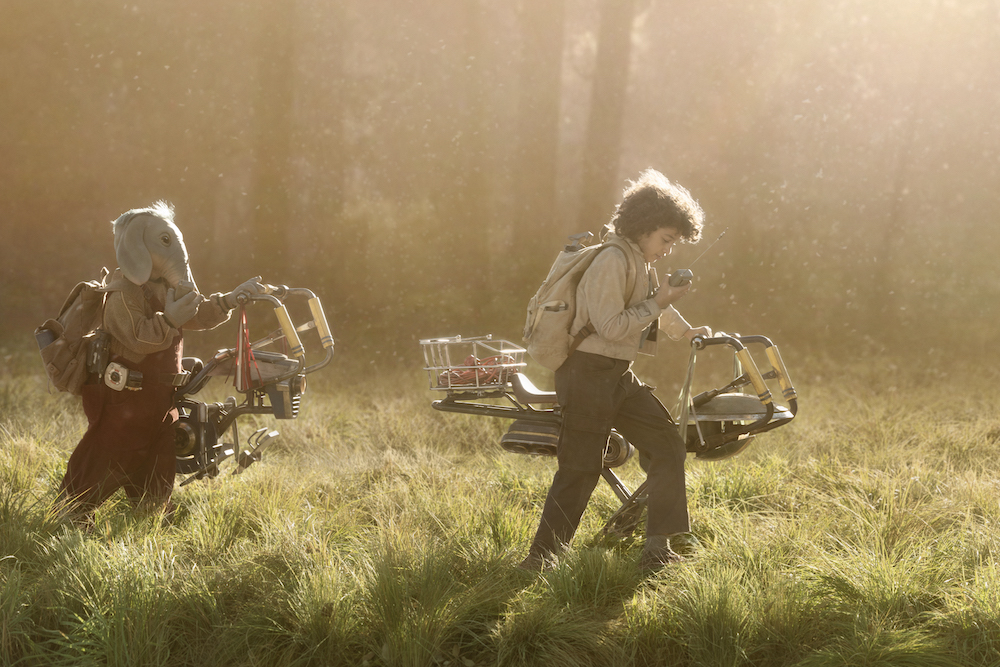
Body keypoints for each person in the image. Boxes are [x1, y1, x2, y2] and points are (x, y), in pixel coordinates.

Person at [519, 169, 712, 573]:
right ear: (643, 226)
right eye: (666, 240)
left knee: (667, 445)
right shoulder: (610, 260)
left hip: (617, 375)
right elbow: (612, 325)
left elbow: (655, 303)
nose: (667, 250)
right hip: (586, 373)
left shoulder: (637, 260)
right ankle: (540, 561)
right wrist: (658, 304)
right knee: (580, 468)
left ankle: (656, 549)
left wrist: (686, 330)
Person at [57, 202, 264, 525]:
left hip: (161, 398)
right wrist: (168, 320)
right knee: (110, 451)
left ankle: (148, 516)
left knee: (158, 457)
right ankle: (73, 511)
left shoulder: (164, 286)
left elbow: (195, 312)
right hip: (125, 398)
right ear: (135, 248)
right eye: (163, 243)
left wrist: (228, 300)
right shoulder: (122, 292)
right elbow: (138, 337)